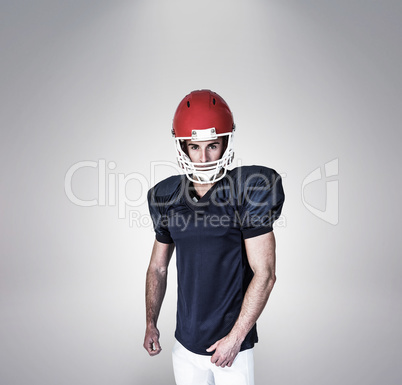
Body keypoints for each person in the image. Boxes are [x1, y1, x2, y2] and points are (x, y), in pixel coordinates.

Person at [143, 89, 285, 385]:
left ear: (226, 143)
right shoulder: (167, 197)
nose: (204, 157)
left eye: (213, 146)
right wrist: (151, 323)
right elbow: (158, 267)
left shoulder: (248, 190)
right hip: (184, 344)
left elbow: (266, 273)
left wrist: (235, 339)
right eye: (195, 147)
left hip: (231, 349)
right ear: (183, 147)